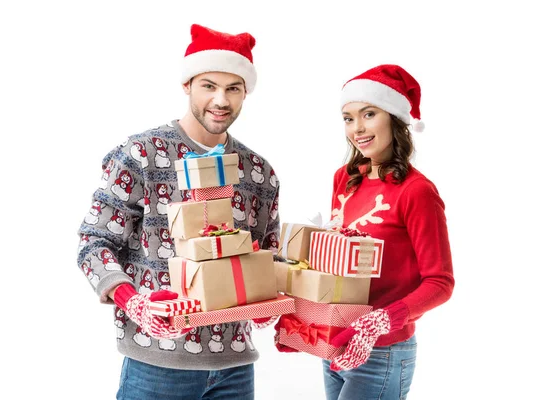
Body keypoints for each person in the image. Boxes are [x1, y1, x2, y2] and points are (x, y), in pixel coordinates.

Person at [76, 24, 280, 400]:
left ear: (245, 92)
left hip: (235, 369)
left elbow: (268, 256)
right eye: (209, 86)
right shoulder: (142, 154)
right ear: (187, 85)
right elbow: (94, 242)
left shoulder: (259, 173)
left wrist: (273, 303)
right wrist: (131, 301)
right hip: (157, 367)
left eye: (233, 88)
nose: (221, 100)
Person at [275, 64, 454, 399]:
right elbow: (337, 263)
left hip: (382, 352)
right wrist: (305, 320)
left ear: (395, 119)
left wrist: (378, 323)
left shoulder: (417, 191)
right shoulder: (344, 179)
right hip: (336, 341)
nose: (357, 128)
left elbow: (440, 283)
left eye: (369, 114)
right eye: (348, 118)